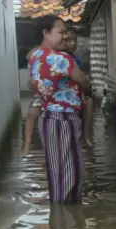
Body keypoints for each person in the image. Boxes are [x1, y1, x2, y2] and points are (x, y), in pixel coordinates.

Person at [28, 15, 91, 204]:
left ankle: (60, 220)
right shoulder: (60, 59)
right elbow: (83, 80)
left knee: (56, 169)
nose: (64, 37)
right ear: (46, 33)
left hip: (48, 117)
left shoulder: (35, 56)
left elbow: (32, 85)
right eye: (60, 32)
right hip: (65, 118)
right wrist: (85, 83)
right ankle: (69, 220)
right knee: (71, 169)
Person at [23, 25, 92, 155]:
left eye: (74, 41)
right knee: (32, 113)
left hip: (64, 96)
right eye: (66, 39)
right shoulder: (51, 55)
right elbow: (30, 57)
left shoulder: (71, 59)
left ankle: (86, 133)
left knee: (88, 101)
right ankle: (27, 144)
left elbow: (81, 79)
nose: (71, 43)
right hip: (48, 96)